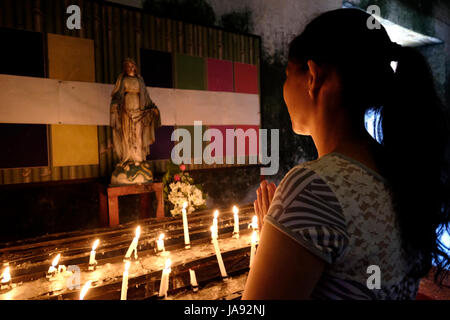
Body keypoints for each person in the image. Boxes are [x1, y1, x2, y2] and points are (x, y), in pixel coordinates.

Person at [243, 8, 450, 300]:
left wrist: (270, 243)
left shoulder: (312, 187)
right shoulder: (402, 173)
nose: (284, 89)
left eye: (287, 75)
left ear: (313, 76)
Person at [110, 58, 161, 167]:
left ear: (135, 67)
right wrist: (115, 104)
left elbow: (146, 97)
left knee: (138, 134)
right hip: (126, 111)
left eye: (132, 65)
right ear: (125, 68)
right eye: (128, 66)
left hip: (139, 110)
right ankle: (127, 158)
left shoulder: (140, 80)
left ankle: (138, 158)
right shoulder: (122, 80)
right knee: (127, 133)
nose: (130, 68)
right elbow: (118, 95)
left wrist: (153, 107)